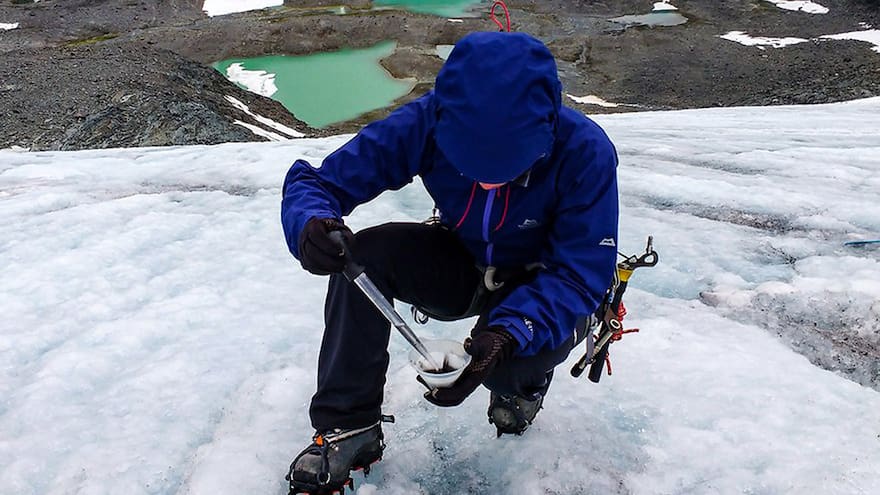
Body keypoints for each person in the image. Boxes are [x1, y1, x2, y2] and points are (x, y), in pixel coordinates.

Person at [280, 31, 619, 494]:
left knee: (508, 364)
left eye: (510, 170)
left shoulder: (584, 151)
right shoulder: (426, 121)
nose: (488, 185)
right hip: (465, 262)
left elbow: (580, 274)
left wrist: (507, 334)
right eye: (470, 167)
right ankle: (350, 425)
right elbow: (318, 183)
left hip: (543, 283)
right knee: (363, 256)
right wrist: (310, 225)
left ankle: (521, 386)